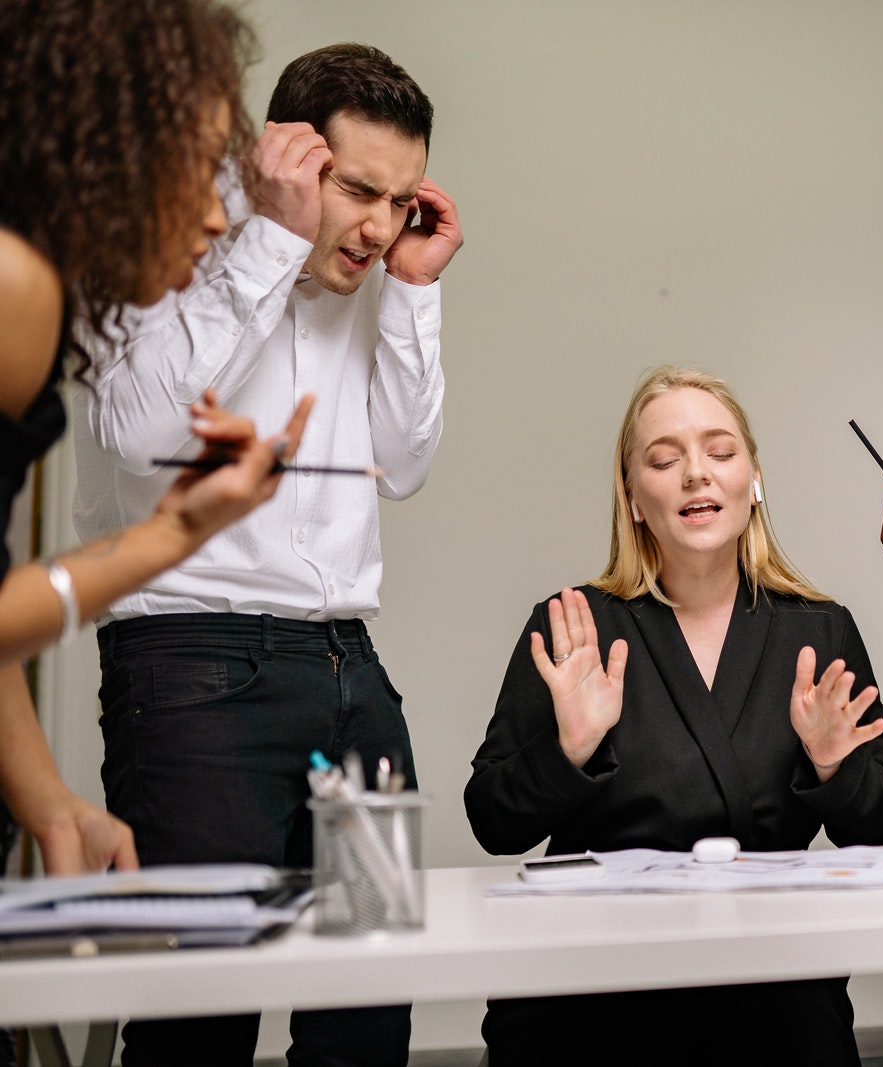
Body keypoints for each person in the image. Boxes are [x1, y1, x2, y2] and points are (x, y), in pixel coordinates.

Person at [71, 41, 461, 1067]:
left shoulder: (373, 271)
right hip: (194, 668)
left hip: (351, 669)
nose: (380, 227)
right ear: (288, 155)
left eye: (402, 201)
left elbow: (401, 464)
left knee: (371, 996)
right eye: (360, 190)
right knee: (199, 1014)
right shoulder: (168, 242)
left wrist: (415, 293)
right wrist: (272, 241)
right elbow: (147, 431)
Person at [466, 365, 883, 1066]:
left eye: (721, 452)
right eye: (664, 459)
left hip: (768, 980)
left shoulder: (819, 630)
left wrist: (834, 765)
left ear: (753, 479)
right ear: (635, 497)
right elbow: (493, 821)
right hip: (591, 981)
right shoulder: (575, 627)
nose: (696, 475)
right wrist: (568, 750)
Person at [0, 0, 309, 876]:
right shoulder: (14, 287)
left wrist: (47, 800)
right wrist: (170, 536)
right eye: (196, 165)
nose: (218, 216)